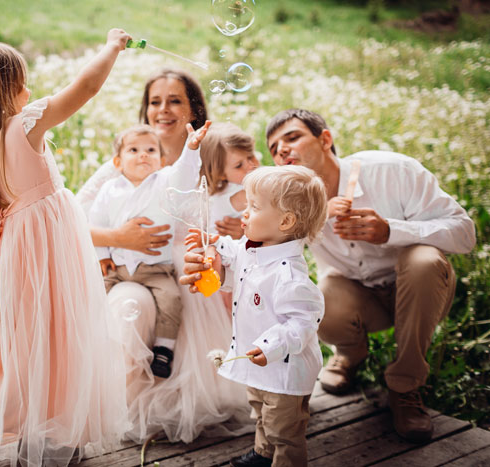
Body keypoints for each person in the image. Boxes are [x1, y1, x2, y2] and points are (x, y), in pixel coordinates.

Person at [0, 30, 132, 467]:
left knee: (24, 346)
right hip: (46, 257)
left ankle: (40, 433)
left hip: (15, 257)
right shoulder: (24, 125)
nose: (31, 90)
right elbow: (86, 88)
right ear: (0, 89)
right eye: (22, 81)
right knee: (57, 339)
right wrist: (112, 46)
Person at [264, 108, 476, 443]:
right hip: (357, 296)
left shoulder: (392, 170)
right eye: (275, 149)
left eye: (292, 138)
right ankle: (349, 354)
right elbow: (267, 259)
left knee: (422, 260)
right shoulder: (291, 203)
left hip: (421, 290)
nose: (283, 151)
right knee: (314, 294)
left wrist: (390, 230)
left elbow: (465, 233)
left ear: (326, 139)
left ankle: (405, 387)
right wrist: (311, 219)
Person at [76, 69, 253, 443]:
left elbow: (249, 202)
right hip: (136, 269)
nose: (163, 110)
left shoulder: (212, 151)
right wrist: (117, 237)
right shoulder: (128, 156)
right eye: (155, 101)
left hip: (193, 270)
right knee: (131, 306)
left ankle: (183, 394)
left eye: (175, 100)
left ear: (194, 109)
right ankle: (125, 402)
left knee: (190, 300)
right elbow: (73, 218)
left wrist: (244, 228)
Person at [183, 165, 329, 467]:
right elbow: (232, 257)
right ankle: (263, 454)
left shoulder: (290, 276)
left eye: (254, 207)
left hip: (284, 370)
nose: (244, 213)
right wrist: (210, 242)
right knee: (260, 411)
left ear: (286, 221)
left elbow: (303, 323)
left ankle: (285, 460)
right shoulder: (254, 250)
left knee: (284, 428)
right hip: (258, 362)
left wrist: (270, 346)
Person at [89, 122, 211, 378]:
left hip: (155, 267)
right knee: (94, 296)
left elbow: (185, 174)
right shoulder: (110, 189)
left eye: (150, 150)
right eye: (133, 150)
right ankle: (94, 343)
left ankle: (164, 350)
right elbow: (96, 222)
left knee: (172, 299)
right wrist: (103, 256)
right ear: (118, 162)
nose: (143, 155)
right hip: (119, 265)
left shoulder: (165, 182)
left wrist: (191, 150)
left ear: (162, 160)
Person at [199, 122, 259, 238]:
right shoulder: (239, 194)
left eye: (250, 156)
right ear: (220, 173)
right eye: (239, 165)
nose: (251, 166)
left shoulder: (238, 183)